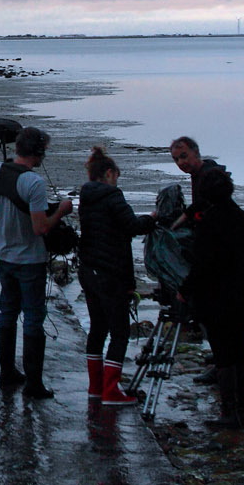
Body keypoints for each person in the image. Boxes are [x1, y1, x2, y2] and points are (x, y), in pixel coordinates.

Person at [178, 169, 244, 427]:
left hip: (218, 297)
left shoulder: (210, 221)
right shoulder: (241, 217)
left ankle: (229, 412)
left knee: (224, 355)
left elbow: (201, 264)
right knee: (241, 352)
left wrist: (185, 290)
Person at [0, 127, 74, 399]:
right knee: (34, 319)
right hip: (29, 259)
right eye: (44, 150)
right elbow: (40, 228)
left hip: (2, 253)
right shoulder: (33, 183)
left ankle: (7, 373)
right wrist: (61, 210)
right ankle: (34, 385)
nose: (44, 155)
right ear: (38, 151)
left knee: (8, 313)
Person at [76, 146, 156, 405]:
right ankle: (111, 391)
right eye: (116, 176)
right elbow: (131, 226)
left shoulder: (86, 197)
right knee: (120, 332)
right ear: (109, 173)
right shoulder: (113, 195)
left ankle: (95, 387)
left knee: (98, 329)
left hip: (89, 271)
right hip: (110, 274)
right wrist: (153, 219)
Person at [169, 136, 231, 386]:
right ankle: (221, 360)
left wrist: (186, 217)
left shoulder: (209, 175)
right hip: (210, 247)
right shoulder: (201, 174)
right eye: (175, 159)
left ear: (196, 152)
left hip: (216, 252)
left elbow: (207, 207)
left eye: (183, 156)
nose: (180, 163)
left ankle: (222, 364)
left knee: (211, 310)